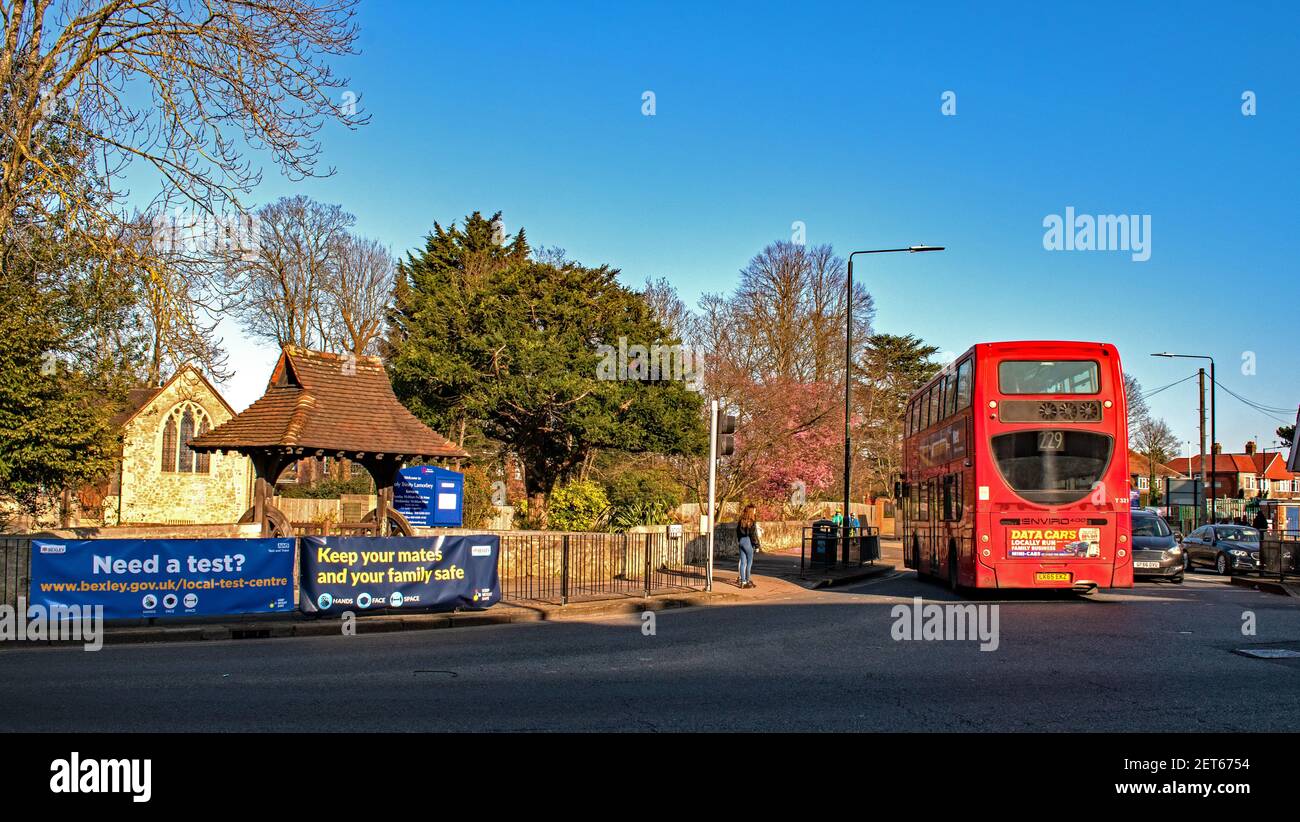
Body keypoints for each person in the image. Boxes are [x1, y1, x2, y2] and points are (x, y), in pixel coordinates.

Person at [737, 504, 762, 589]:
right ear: (751, 511)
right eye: (754, 510)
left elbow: (737, 532)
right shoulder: (752, 522)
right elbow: (753, 535)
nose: (755, 511)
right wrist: (757, 545)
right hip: (748, 541)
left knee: (743, 563)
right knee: (749, 562)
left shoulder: (741, 520)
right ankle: (748, 581)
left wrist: (739, 541)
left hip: (741, 541)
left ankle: (742, 582)